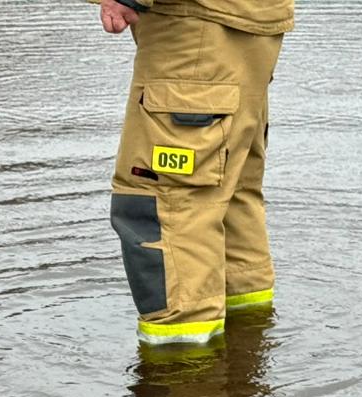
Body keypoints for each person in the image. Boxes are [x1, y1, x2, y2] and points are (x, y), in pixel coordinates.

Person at [92, 0, 294, 345]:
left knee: (165, 204)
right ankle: (247, 346)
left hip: (196, 28)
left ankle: (182, 366)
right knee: (228, 194)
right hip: (244, 23)